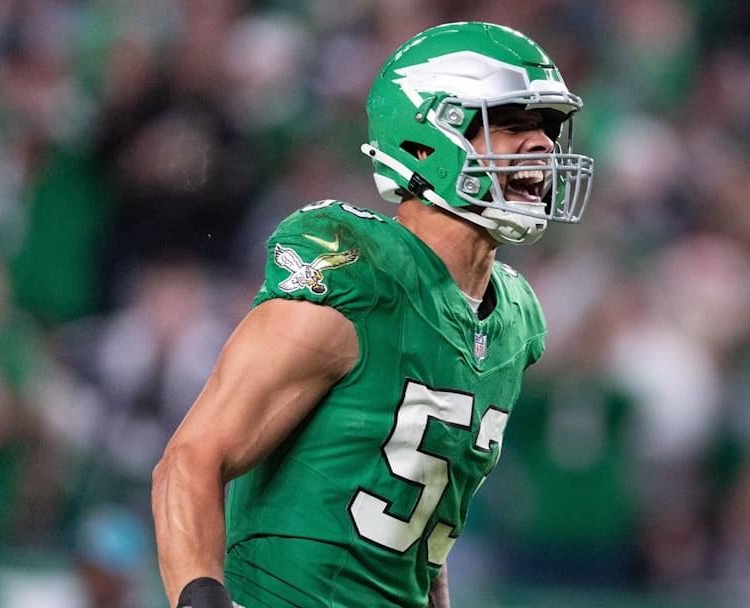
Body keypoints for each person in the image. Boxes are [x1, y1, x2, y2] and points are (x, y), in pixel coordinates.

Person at [151, 21, 594, 608]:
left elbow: (418, 538)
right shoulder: (358, 274)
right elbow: (190, 461)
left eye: (545, 127)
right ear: (424, 140)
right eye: (510, 123)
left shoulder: (513, 319)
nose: (540, 144)